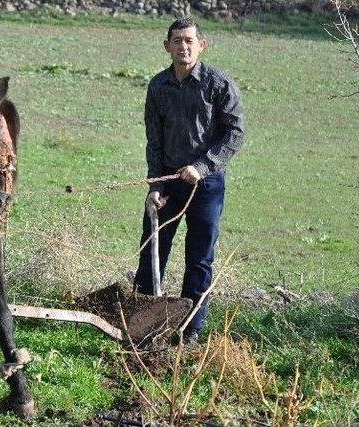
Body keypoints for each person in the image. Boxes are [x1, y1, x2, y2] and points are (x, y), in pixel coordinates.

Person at [133, 18, 244, 344]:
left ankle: (189, 331)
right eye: (177, 41)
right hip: (167, 182)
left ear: (201, 45)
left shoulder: (218, 84)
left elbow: (235, 133)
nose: (183, 46)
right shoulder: (158, 86)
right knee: (151, 249)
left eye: (189, 41)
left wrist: (203, 166)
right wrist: (155, 186)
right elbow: (154, 141)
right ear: (166, 46)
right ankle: (143, 324)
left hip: (205, 185)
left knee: (199, 257)